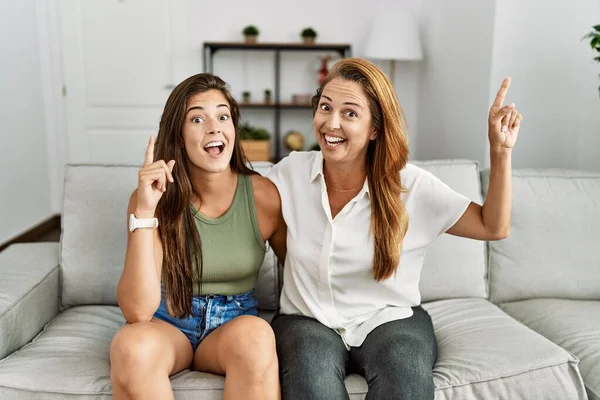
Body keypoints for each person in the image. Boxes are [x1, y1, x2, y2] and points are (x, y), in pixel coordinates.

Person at [267, 58, 522, 400]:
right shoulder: (290, 173)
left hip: (389, 320)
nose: (331, 122)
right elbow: (230, 199)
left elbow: (493, 226)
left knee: (406, 375)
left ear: (375, 128)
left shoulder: (411, 186)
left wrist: (500, 151)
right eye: (325, 107)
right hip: (306, 319)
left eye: (350, 113)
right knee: (310, 378)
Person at [109, 73, 286, 400]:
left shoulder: (264, 196)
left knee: (258, 337)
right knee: (130, 346)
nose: (214, 127)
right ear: (178, 132)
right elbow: (136, 312)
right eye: (197, 118)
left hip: (232, 325)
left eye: (223, 116)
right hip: (168, 321)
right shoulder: (150, 198)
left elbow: (302, 276)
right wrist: (146, 213)